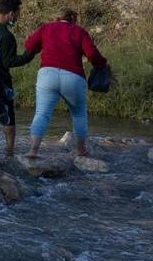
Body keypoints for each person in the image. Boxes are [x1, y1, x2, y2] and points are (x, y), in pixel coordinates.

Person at [23, 8, 108, 159]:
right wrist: (102, 64)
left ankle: (33, 150)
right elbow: (91, 54)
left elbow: (29, 45)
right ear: (73, 19)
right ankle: (81, 150)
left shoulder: (46, 28)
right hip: (73, 76)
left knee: (41, 114)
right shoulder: (79, 31)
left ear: (57, 18)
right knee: (79, 114)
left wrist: (39, 47)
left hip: (47, 74)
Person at [0, 0, 35, 159]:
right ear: (10, 14)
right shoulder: (7, 37)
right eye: (17, 14)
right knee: (8, 115)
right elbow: (8, 62)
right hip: (0, 80)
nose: (17, 17)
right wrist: (30, 55)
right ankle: (9, 151)